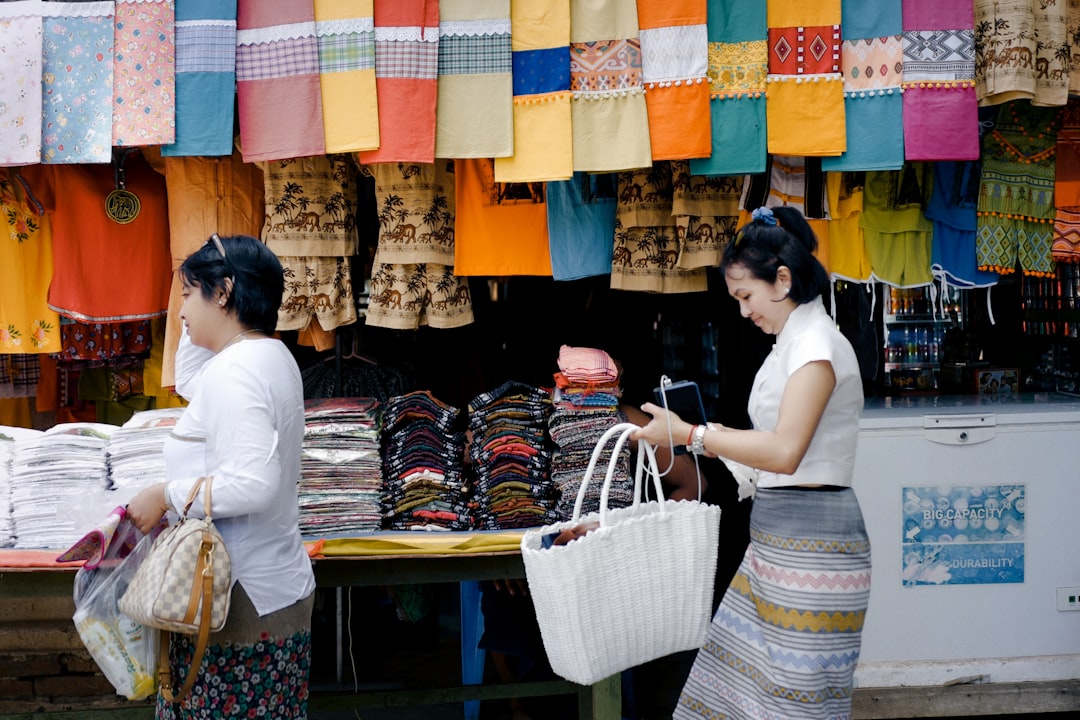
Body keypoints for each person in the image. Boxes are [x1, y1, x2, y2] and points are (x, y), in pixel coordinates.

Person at [632, 206, 872, 720]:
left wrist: (694, 434)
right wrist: (692, 455)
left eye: (745, 296)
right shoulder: (792, 345)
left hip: (811, 546)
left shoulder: (815, 347)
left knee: (792, 701)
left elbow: (785, 452)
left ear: (782, 278)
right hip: (780, 539)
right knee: (739, 693)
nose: (743, 312)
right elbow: (765, 452)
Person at [127, 233, 316, 718]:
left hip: (238, 601)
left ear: (225, 292)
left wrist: (164, 495)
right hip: (271, 587)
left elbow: (254, 483)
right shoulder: (265, 357)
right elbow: (193, 379)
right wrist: (201, 296)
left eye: (189, 293)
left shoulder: (237, 371)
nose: (181, 310)